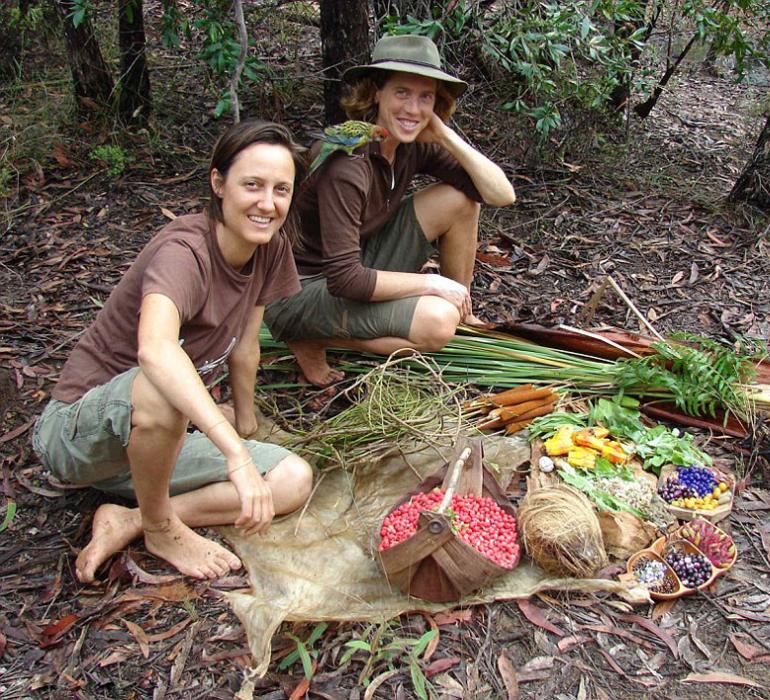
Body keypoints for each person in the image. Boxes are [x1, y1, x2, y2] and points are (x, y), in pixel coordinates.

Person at [31, 119, 314, 583]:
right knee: (162, 386)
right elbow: (156, 351)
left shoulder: (269, 247)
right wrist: (235, 456)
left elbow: (245, 348)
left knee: (291, 480)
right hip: (80, 437)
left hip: (154, 448)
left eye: (281, 189)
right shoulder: (185, 252)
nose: (268, 203)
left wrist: (247, 427)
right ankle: (162, 528)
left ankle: (134, 517)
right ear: (218, 183)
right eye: (252, 185)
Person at [264, 33, 516, 386]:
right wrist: (432, 284)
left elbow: (500, 194)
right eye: (402, 93)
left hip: (359, 259)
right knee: (437, 321)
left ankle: (464, 310)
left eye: (425, 97)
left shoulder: (410, 144)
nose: (413, 109)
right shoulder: (348, 161)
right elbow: (345, 278)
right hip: (301, 290)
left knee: (459, 200)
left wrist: (444, 135)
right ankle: (308, 336)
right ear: (375, 92)